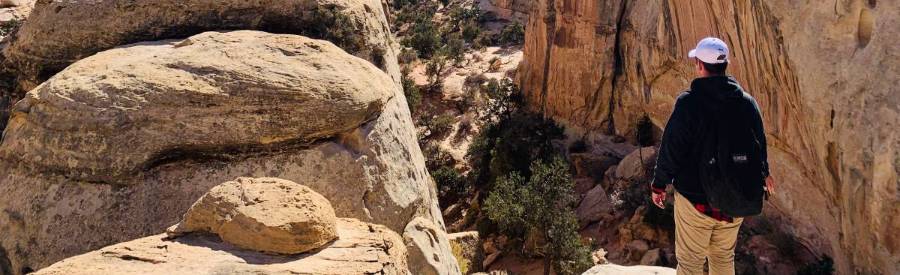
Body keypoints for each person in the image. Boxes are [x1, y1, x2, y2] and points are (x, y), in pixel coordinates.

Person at [649, 37, 776, 275]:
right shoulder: (747, 103)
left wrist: (659, 184)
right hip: (734, 197)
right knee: (723, 258)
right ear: (725, 64)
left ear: (699, 64)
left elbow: (672, 148)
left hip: (694, 197)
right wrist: (764, 173)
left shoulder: (689, 103)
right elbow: (759, 145)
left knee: (690, 263)